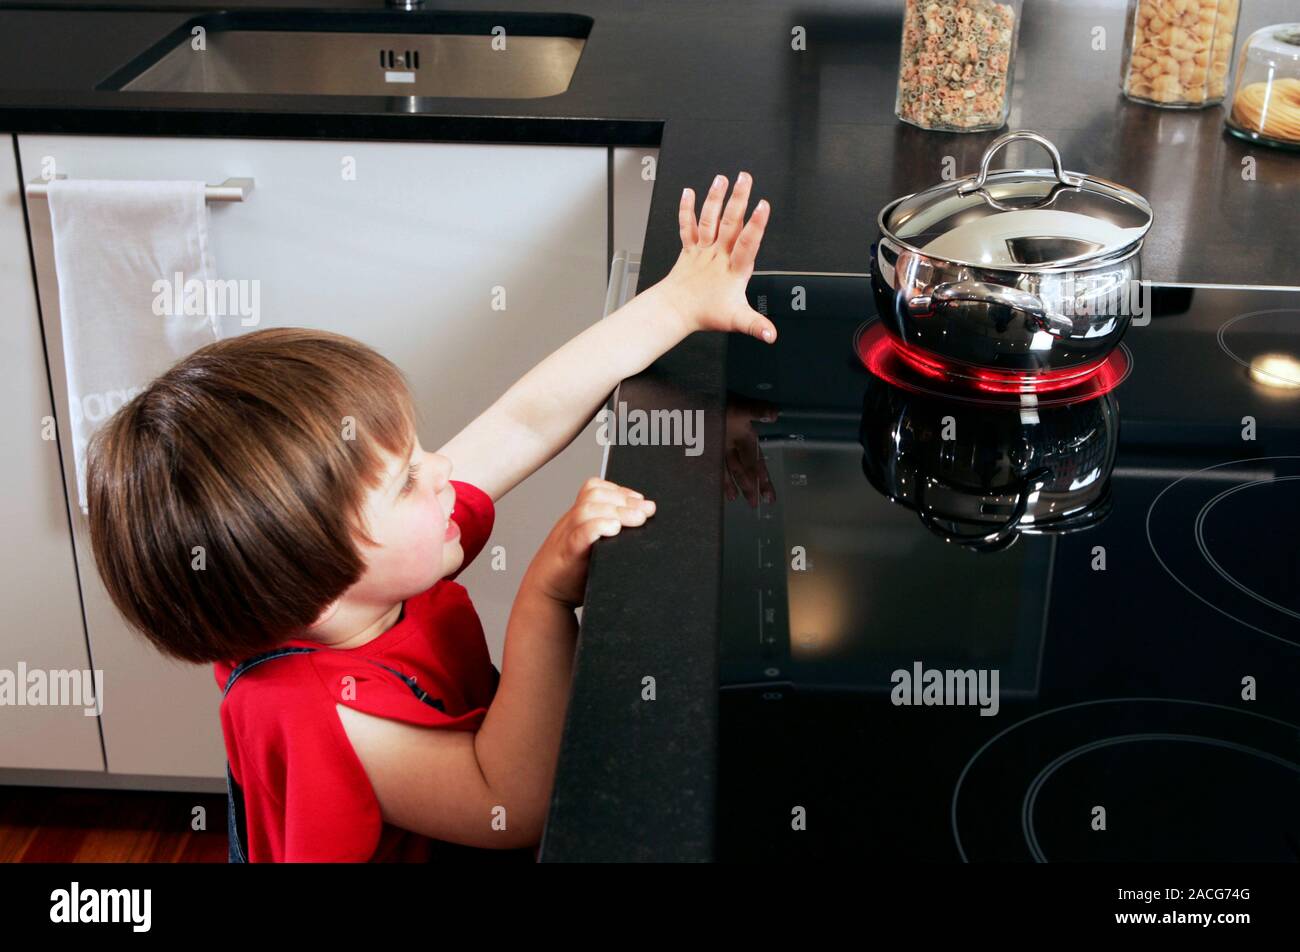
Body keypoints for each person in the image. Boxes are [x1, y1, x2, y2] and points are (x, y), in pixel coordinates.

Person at [84, 173, 775, 861]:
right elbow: (507, 801)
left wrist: (678, 305)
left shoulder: (360, 572)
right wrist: (542, 598)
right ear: (320, 584)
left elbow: (521, 421)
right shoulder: (312, 710)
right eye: (409, 479)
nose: (442, 470)